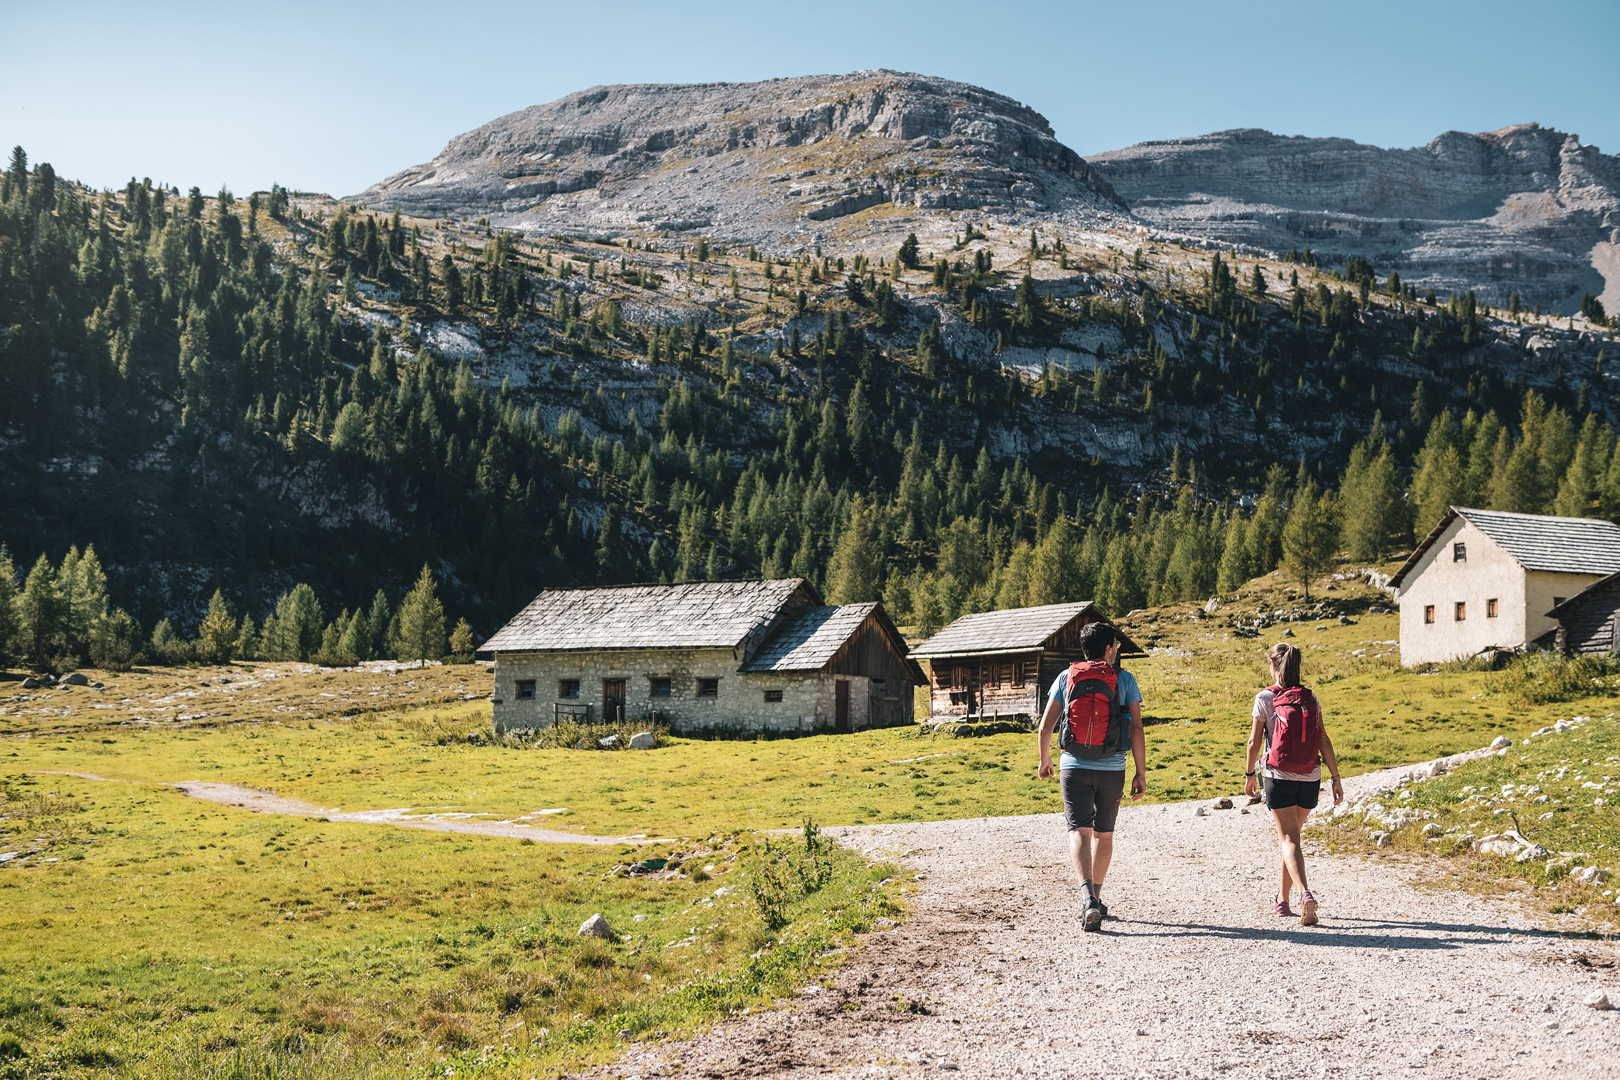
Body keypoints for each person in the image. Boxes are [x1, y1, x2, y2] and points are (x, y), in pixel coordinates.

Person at [1037, 622, 1146, 931]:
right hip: (1112, 768)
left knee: (1079, 833)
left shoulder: (1066, 676)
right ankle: (1096, 897)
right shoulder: (1124, 680)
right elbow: (1136, 727)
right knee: (1104, 834)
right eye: (1117, 645)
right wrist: (1140, 772)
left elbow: (1046, 726)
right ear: (1109, 648)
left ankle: (1086, 899)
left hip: (1073, 765)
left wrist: (1045, 759)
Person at [1243, 641, 1343, 927]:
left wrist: (1250, 774)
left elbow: (1253, 742)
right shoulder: (1310, 698)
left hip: (1278, 777)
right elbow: (1324, 740)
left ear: (1273, 666)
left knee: (1288, 840)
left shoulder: (1264, 698)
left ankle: (1305, 895)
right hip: (1310, 777)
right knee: (1292, 840)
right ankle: (1282, 900)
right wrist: (1336, 778)